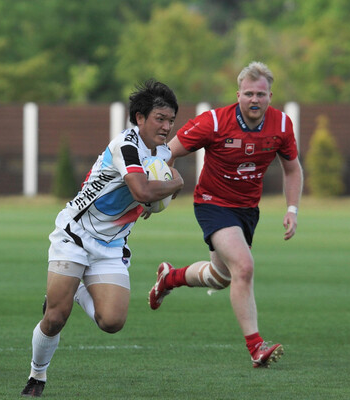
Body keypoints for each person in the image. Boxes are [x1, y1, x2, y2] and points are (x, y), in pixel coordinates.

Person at [20, 80, 184, 397]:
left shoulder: (161, 151)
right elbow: (142, 190)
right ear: (139, 118)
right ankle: (37, 376)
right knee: (55, 317)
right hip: (75, 235)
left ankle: (78, 288)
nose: (166, 127)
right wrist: (173, 184)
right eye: (160, 119)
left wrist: (159, 195)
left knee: (112, 321)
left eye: (170, 120)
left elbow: (154, 191)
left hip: (111, 246)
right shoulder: (125, 146)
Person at [148, 61, 303, 368]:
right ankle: (256, 346)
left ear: (270, 95)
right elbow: (169, 152)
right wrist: (162, 189)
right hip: (212, 203)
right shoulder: (215, 122)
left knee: (222, 277)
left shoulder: (282, 125)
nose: (255, 100)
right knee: (243, 267)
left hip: (247, 210)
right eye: (249, 93)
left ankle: (170, 278)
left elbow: (292, 168)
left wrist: (292, 209)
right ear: (238, 94)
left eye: (261, 94)